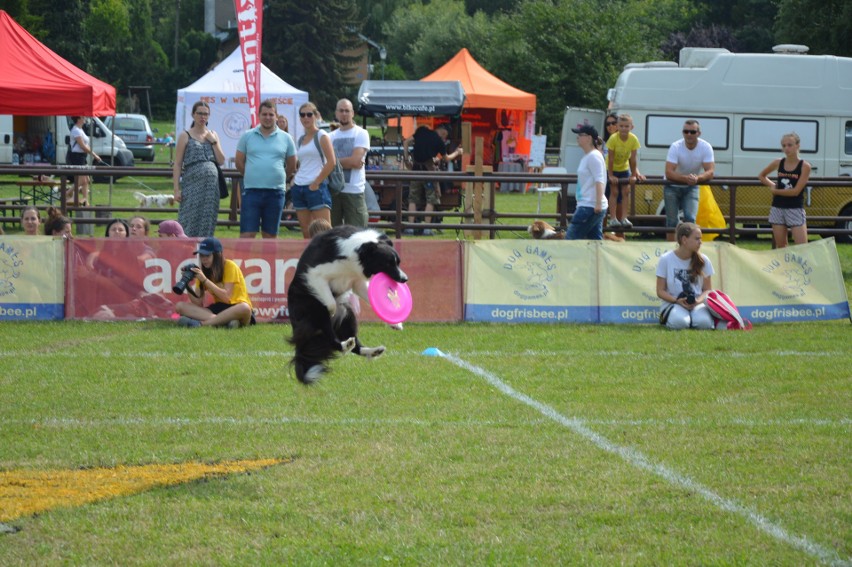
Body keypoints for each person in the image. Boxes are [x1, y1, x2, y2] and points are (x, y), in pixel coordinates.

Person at [236, 99, 297, 239]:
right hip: (251, 192)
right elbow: (239, 161)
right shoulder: (247, 136)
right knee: (247, 234)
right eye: (264, 114)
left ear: (276, 116)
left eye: (271, 114)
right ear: (259, 115)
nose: (268, 117)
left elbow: (292, 164)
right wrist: (251, 175)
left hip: (275, 193)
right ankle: (245, 261)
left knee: (270, 236)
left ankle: (267, 261)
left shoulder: (287, 138)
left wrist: (280, 175)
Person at [175, 237, 254, 328]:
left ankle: (202, 324)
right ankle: (224, 322)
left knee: (245, 308)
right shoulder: (203, 272)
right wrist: (186, 283)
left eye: (207, 255)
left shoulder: (230, 266)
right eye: (201, 255)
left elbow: (227, 298)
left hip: (236, 307)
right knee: (180, 306)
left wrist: (205, 280)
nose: (204, 259)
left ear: (217, 255)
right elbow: (198, 303)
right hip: (219, 308)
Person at [173, 101, 225, 237]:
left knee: (207, 218)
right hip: (192, 184)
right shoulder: (185, 135)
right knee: (188, 217)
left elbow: (221, 160)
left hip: (211, 187)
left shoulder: (213, 134)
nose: (203, 117)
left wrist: (213, 141)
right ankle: (185, 248)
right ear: (193, 114)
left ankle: (205, 249)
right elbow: (177, 164)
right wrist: (176, 189)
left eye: (206, 114)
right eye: (200, 113)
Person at [656, 222, 716, 330]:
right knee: (680, 323)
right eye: (697, 239)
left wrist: (698, 301)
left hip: (697, 303)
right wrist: (676, 300)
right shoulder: (666, 259)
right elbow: (660, 291)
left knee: (704, 324)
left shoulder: (704, 260)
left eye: (700, 238)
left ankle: (694, 318)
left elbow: (707, 290)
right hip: (674, 303)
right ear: (684, 240)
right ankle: (679, 318)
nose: (700, 242)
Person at [403, 124, 461, 235]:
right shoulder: (439, 142)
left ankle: (410, 227)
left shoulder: (421, 131)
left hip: (415, 170)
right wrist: (457, 152)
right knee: (431, 199)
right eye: (445, 136)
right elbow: (447, 158)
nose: (444, 138)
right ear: (444, 132)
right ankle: (427, 228)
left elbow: (406, 142)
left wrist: (406, 159)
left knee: (412, 199)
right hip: (429, 172)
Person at [663, 120, 715, 241]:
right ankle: (672, 250)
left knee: (691, 219)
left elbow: (710, 171)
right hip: (672, 186)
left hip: (692, 186)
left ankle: (690, 249)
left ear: (699, 133)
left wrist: (697, 178)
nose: (689, 134)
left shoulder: (705, 147)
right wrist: (688, 179)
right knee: (672, 221)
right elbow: (669, 172)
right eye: (686, 131)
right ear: (683, 133)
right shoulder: (675, 146)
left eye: (692, 132)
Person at [758, 132, 811, 248]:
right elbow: (762, 176)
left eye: (790, 145)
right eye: (784, 145)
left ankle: (803, 266)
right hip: (778, 207)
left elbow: (796, 191)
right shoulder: (778, 162)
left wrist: (776, 191)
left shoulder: (805, 166)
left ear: (798, 145)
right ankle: (785, 266)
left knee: (802, 247)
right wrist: (772, 185)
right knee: (782, 246)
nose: (786, 148)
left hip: (795, 208)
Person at [291, 102, 335, 238]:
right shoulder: (300, 139)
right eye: (302, 115)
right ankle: (311, 259)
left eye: (309, 114)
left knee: (324, 232)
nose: (306, 118)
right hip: (299, 187)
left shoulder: (321, 135)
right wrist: (294, 180)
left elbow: (331, 162)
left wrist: (316, 183)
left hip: (316, 188)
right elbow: (303, 164)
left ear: (316, 116)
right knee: (306, 232)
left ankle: (328, 259)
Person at [329, 98, 369, 228]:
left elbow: (355, 161)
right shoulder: (330, 136)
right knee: (333, 235)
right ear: (336, 113)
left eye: (347, 111)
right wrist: (349, 161)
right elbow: (352, 162)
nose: (344, 114)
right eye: (341, 111)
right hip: (333, 190)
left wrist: (333, 163)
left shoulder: (361, 133)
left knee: (357, 235)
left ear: (353, 113)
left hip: (354, 191)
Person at [565, 125, 607, 240]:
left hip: (589, 206)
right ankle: (599, 258)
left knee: (570, 239)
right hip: (589, 205)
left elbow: (600, 180)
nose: (577, 137)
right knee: (595, 242)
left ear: (589, 138)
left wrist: (598, 203)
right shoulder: (590, 156)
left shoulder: (593, 156)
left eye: (580, 135)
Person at [606, 114, 645, 229]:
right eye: (621, 126)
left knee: (626, 191)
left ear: (631, 127)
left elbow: (633, 159)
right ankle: (613, 218)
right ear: (618, 126)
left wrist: (633, 175)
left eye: (626, 126)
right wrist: (611, 175)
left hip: (624, 168)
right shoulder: (613, 139)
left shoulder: (633, 139)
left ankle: (624, 218)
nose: (624, 129)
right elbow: (611, 158)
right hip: (612, 168)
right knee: (614, 192)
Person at [68, 116, 100, 206]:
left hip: (82, 157)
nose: (85, 119)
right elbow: (82, 146)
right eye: (83, 117)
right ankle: (67, 193)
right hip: (77, 157)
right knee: (82, 181)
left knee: (86, 180)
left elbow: (86, 145)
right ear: (78, 119)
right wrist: (94, 155)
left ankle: (86, 202)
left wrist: (94, 154)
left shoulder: (80, 130)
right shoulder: (75, 130)